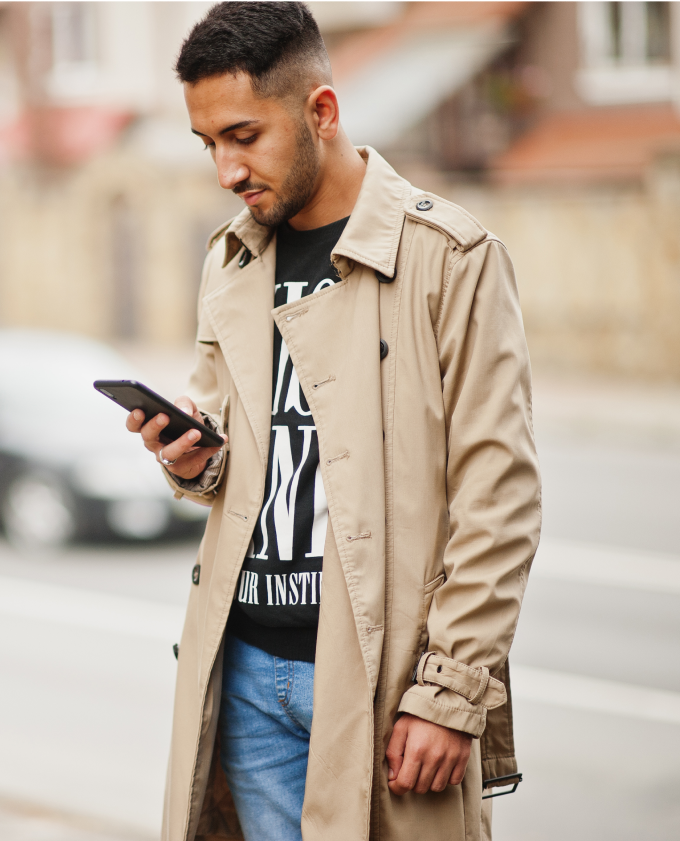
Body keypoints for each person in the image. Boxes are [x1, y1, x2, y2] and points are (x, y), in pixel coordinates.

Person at [125, 3, 541, 840]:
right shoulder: (232, 258)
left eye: (244, 134)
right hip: (243, 667)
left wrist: (450, 691)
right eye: (209, 144)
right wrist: (189, 457)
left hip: (385, 685)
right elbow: (231, 459)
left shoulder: (450, 258)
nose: (225, 170)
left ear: (321, 112)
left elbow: (499, 500)